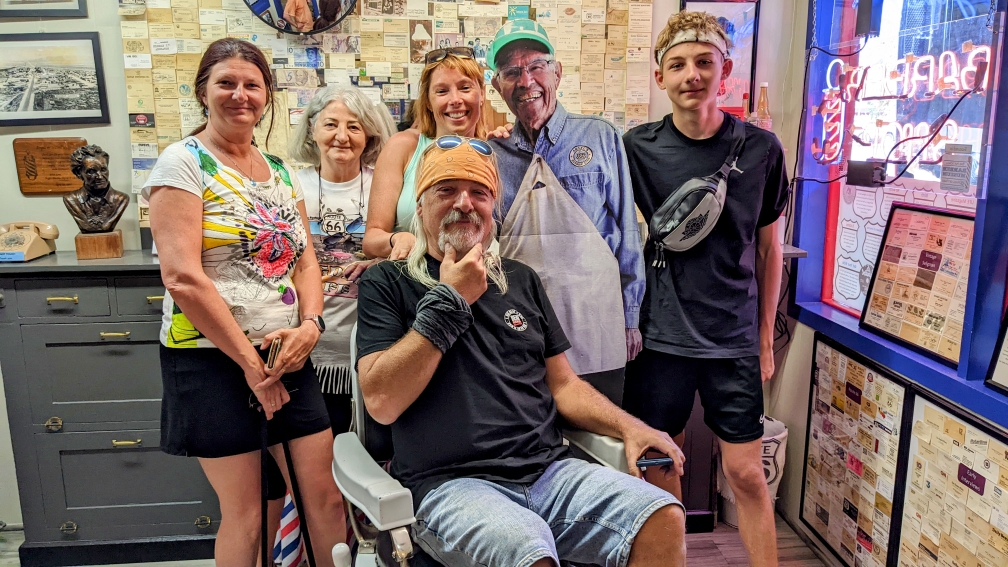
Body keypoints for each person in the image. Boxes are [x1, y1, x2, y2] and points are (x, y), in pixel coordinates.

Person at [355, 135, 687, 567]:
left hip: (550, 472)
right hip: (450, 485)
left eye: (479, 193)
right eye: (446, 190)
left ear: (493, 210)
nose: (464, 203)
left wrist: (630, 427)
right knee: (527, 548)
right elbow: (382, 402)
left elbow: (563, 385)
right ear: (420, 207)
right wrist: (450, 300)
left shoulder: (521, 279)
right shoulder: (388, 282)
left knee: (661, 516)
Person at [143, 38, 347, 567]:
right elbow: (183, 279)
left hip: (286, 357)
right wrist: (253, 369)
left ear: (267, 95)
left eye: (252, 85)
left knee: (325, 498)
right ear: (203, 92)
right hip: (212, 361)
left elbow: (306, 262)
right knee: (250, 512)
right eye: (226, 83)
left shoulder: (279, 170)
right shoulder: (182, 163)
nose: (240, 95)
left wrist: (311, 325)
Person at [621, 12, 789, 567]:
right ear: (660, 76)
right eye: (677, 65)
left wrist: (763, 338)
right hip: (660, 337)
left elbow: (769, 250)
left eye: (703, 62)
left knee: (746, 473)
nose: (691, 74)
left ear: (726, 70)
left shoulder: (762, 149)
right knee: (658, 466)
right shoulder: (637, 147)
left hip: (732, 338)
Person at [486, 19, 645, 405]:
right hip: (521, 331)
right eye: (511, 71)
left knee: (601, 431)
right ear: (497, 86)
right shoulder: (492, 154)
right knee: (530, 431)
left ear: (556, 72)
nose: (526, 81)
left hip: (596, 322)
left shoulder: (600, 136)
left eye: (536, 65)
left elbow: (627, 233)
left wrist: (630, 317)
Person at [288, 85, 396, 433]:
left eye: (354, 126)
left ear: (369, 134)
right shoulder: (290, 185)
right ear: (312, 129)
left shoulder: (386, 187)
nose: (342, 136)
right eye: (331, 124)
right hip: (307, 352)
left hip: (375, 350)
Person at [362, 46, 489, 260]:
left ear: (482, 94)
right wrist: (397, 240)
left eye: (465, 88)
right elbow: (372, 239)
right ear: (428, 101)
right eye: (442, 91)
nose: (455, 99)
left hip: (472, 275)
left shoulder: (490, 152)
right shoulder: (403, 147)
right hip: (408, 276)